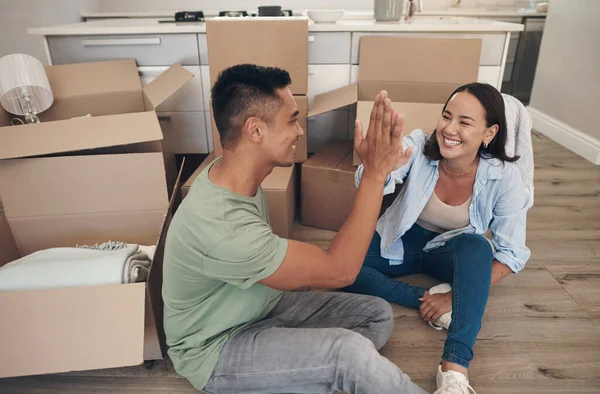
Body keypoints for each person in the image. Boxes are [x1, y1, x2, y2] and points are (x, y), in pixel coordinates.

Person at [161, 64, 426, 394]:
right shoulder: (223, 226)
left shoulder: (229, 174)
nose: (300, 131)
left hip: (259, 304)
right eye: (292, 120)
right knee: (348, 355)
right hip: (215, 346)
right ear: (255, 130)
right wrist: (374, 174)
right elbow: (341, 271)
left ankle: (301, 374)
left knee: (376, 315)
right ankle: (317, 372)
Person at [344, 82, 531, 394]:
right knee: (343, 266)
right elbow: (368, 181)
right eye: (447, 116)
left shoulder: (504, 177)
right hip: (402, 240)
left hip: (452, 251)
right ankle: (421, 300)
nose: (450, 129)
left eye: (465, 122)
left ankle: (455, 369)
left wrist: (451, 296)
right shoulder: (418, 145)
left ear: (489, 133)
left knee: (477, 247)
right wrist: (380, 168)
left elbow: (512, 254)